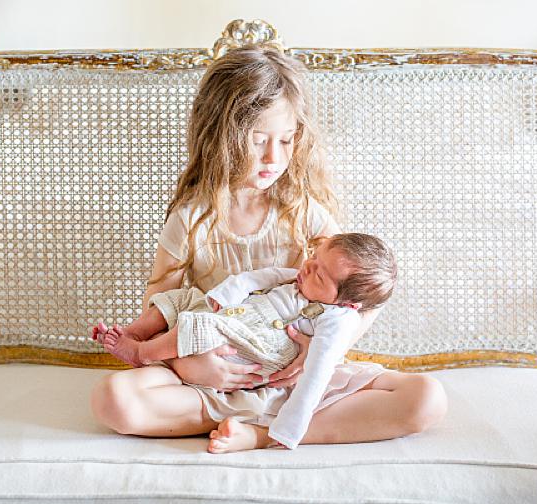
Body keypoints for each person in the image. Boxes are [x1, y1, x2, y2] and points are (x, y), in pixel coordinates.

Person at [90, 45, 446, 453]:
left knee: (425, 398)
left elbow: (363, 296)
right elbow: (160, 301)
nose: (273, 157)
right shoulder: (191, 219)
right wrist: (187, 363)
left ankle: (261, 433)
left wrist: (318, 354)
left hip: (291, 373)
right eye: (258, 140)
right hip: (214, 369)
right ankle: (245, 415)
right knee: (112, 399)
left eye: (286, 140)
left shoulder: (305, 214)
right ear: (220, 137)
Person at [92, 233, 397, 450]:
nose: (307, 268)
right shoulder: (300, 278)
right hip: (228, 320)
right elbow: (252, 279)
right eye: (314, 257)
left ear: (348, 304)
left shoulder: (336, 319)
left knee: (203, 328)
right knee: (183, 300)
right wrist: (218, 298)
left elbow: (316, 377)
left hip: (257, 346)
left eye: (321, 275)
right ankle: (134, 334)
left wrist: (289, 429)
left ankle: (141, 352)